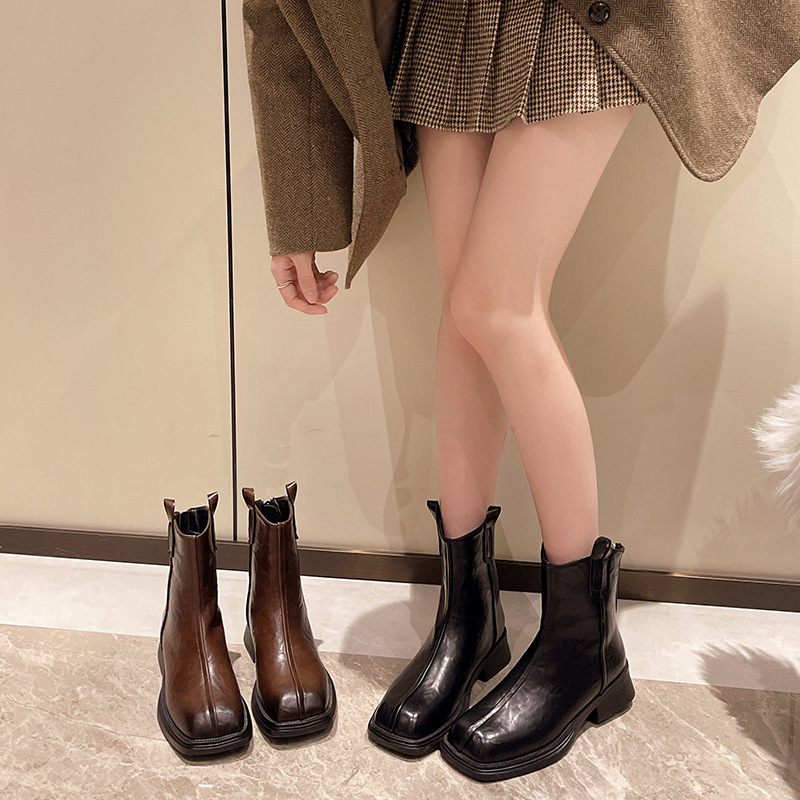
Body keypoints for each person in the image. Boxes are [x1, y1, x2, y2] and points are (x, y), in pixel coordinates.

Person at [242, 0, 800, 782]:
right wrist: (296, 208)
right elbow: (282, 12)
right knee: (463, 316)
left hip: (576, 18)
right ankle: (468, 617)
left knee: (496, 307)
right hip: (449, 18)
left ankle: (583, 644)